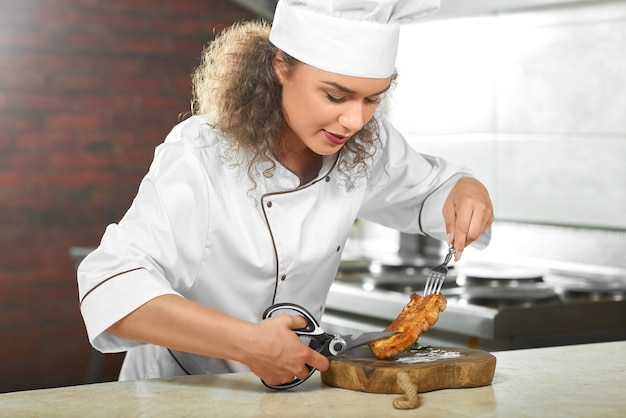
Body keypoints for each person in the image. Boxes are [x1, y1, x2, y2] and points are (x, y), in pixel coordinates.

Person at [77, 0, 493, 387]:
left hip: (296, 393)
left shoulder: (367, 142)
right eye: (335, 95)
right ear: (281, 65)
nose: (353, 120)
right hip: (180, 391)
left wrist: (466, 188)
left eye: (372, 99)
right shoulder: (200, 155)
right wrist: (247, 343)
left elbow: (436, 188)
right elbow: (111, 284)